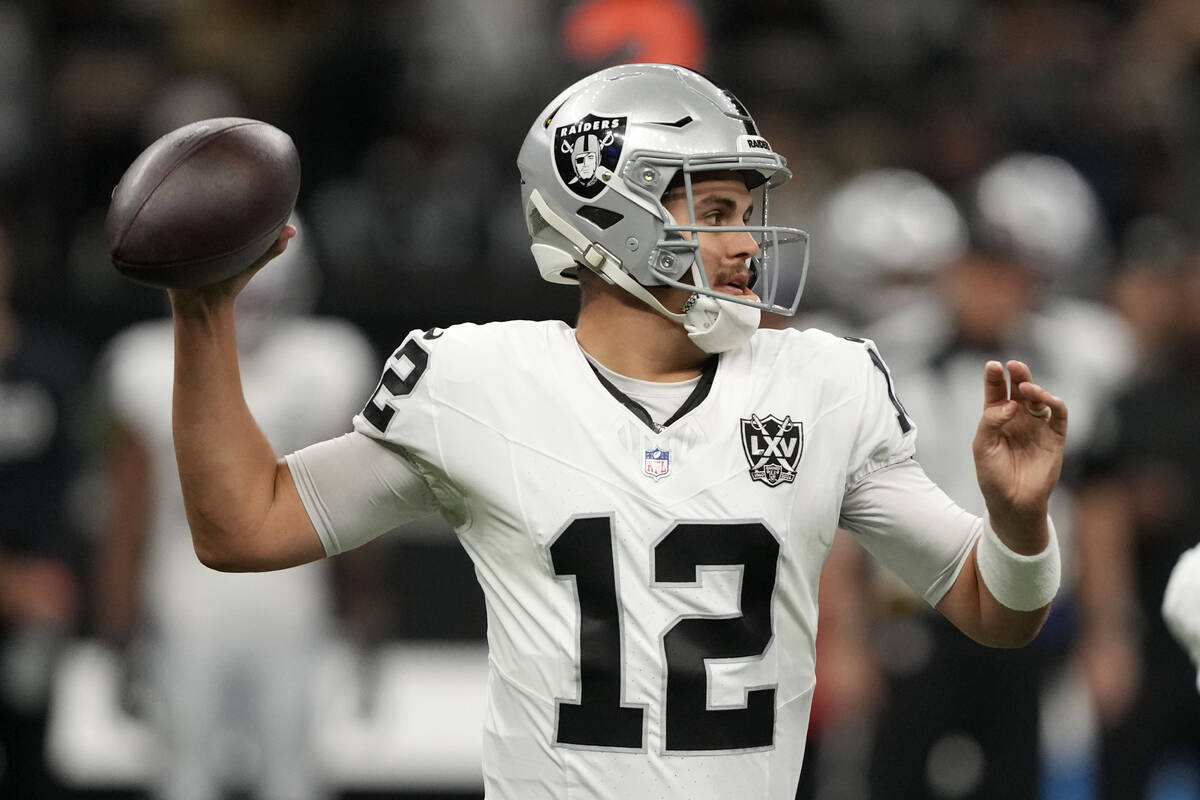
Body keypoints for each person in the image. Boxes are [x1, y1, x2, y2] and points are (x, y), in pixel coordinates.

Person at [161, 64, 1068, 799]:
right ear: (611, 215)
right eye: (714, 213)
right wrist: (203, 316)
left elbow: (995, 612)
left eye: (745, 213)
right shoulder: (479, 383)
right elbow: (244, 525)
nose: (747, 243)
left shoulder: (824, 383)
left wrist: (1019, 524)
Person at [94, 218, 378, 800]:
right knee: (185, 769)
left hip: (292, 593)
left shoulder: (327, 360)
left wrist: (366, 604)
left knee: (291, 770)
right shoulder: (145, 365)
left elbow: (355, 499)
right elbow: (128, 510)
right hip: (184, 593)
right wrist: (117, 622)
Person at [0, 220, 83, 798]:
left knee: (31, 752)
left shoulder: (51, 367)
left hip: (35, 600)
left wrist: (56, 576)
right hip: (14, 583)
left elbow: (75, 490)